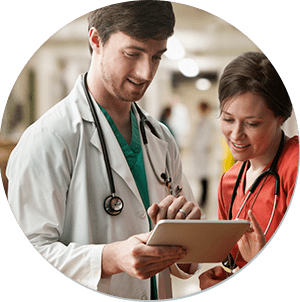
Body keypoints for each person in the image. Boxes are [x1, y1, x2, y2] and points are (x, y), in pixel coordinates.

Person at [6, 1, 201, 300]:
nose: (145, 72)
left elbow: (181, 256)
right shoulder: (49, 139)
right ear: (96, 40)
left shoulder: (159, 137)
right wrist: (109, 259)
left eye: (156, 57)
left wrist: (185, 240)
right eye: (132, 53)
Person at [199, 52, 298, 289]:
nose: (235, 135)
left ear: (281, 117)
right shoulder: (229, 183)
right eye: (228, 119)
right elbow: (233, 260)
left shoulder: (293, 166)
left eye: (252, 123)